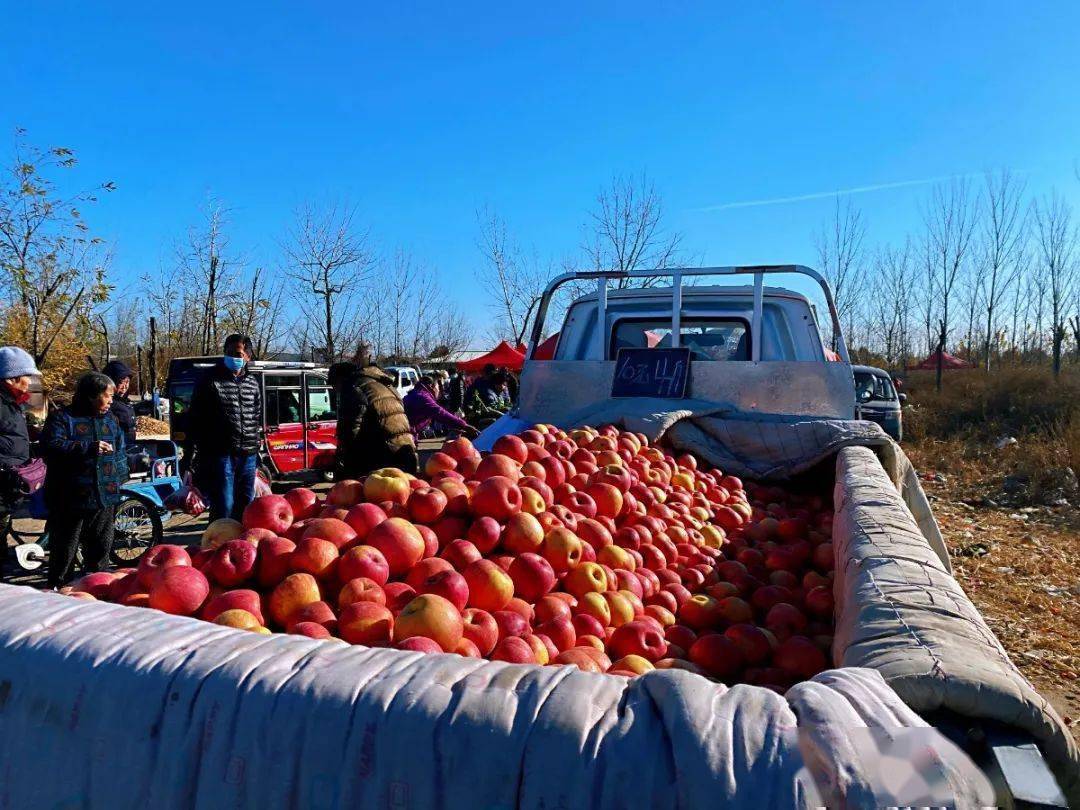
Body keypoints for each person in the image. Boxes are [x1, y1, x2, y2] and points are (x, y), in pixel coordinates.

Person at [41, 372, 128, 588]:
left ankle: (96, 591)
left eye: (112, 397)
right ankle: (60, 593)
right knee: (64, 552)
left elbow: (120, 452)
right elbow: (50, 447)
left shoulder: (111, 420)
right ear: (91, 395)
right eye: (107, 396)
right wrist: (86, 447)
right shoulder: (62, 418)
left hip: (104, 497)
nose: (111, 401)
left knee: (100, 550)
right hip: (70, 498)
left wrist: (120, 478)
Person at [188, 334, 262, 522]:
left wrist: (256, 447)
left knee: (246, 501)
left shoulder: (252, 383)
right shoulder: (209, 380)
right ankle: (220, 543)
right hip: (220, 454)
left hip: (248, 453)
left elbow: (256, 415)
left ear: (248, 357)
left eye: (237, 353)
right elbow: (196, 417)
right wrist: (197, 453)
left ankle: (241, 542)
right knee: (224, 504)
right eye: (228, 352)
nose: (232, 357)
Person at [329, 346, 418, 478]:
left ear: (340, 380)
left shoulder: (353, 386)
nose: (336, 391)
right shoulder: (384, 384)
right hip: (406, 453)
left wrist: (344, 467)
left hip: (382, 460)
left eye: (334, 386)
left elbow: (350, 429)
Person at [0, 347, 38, 544]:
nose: (30, 382)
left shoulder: (15, 404)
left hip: (11, 478)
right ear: (11, 378)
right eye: (27, 376)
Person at [404, 375, 478, 440]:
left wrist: (455, 426)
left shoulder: (417, 393)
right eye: (439, 386)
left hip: (407, 432)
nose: (440, 390)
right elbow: (440, 413)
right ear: (431, 386)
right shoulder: (423, 397)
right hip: (404, 434)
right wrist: (464, 426)